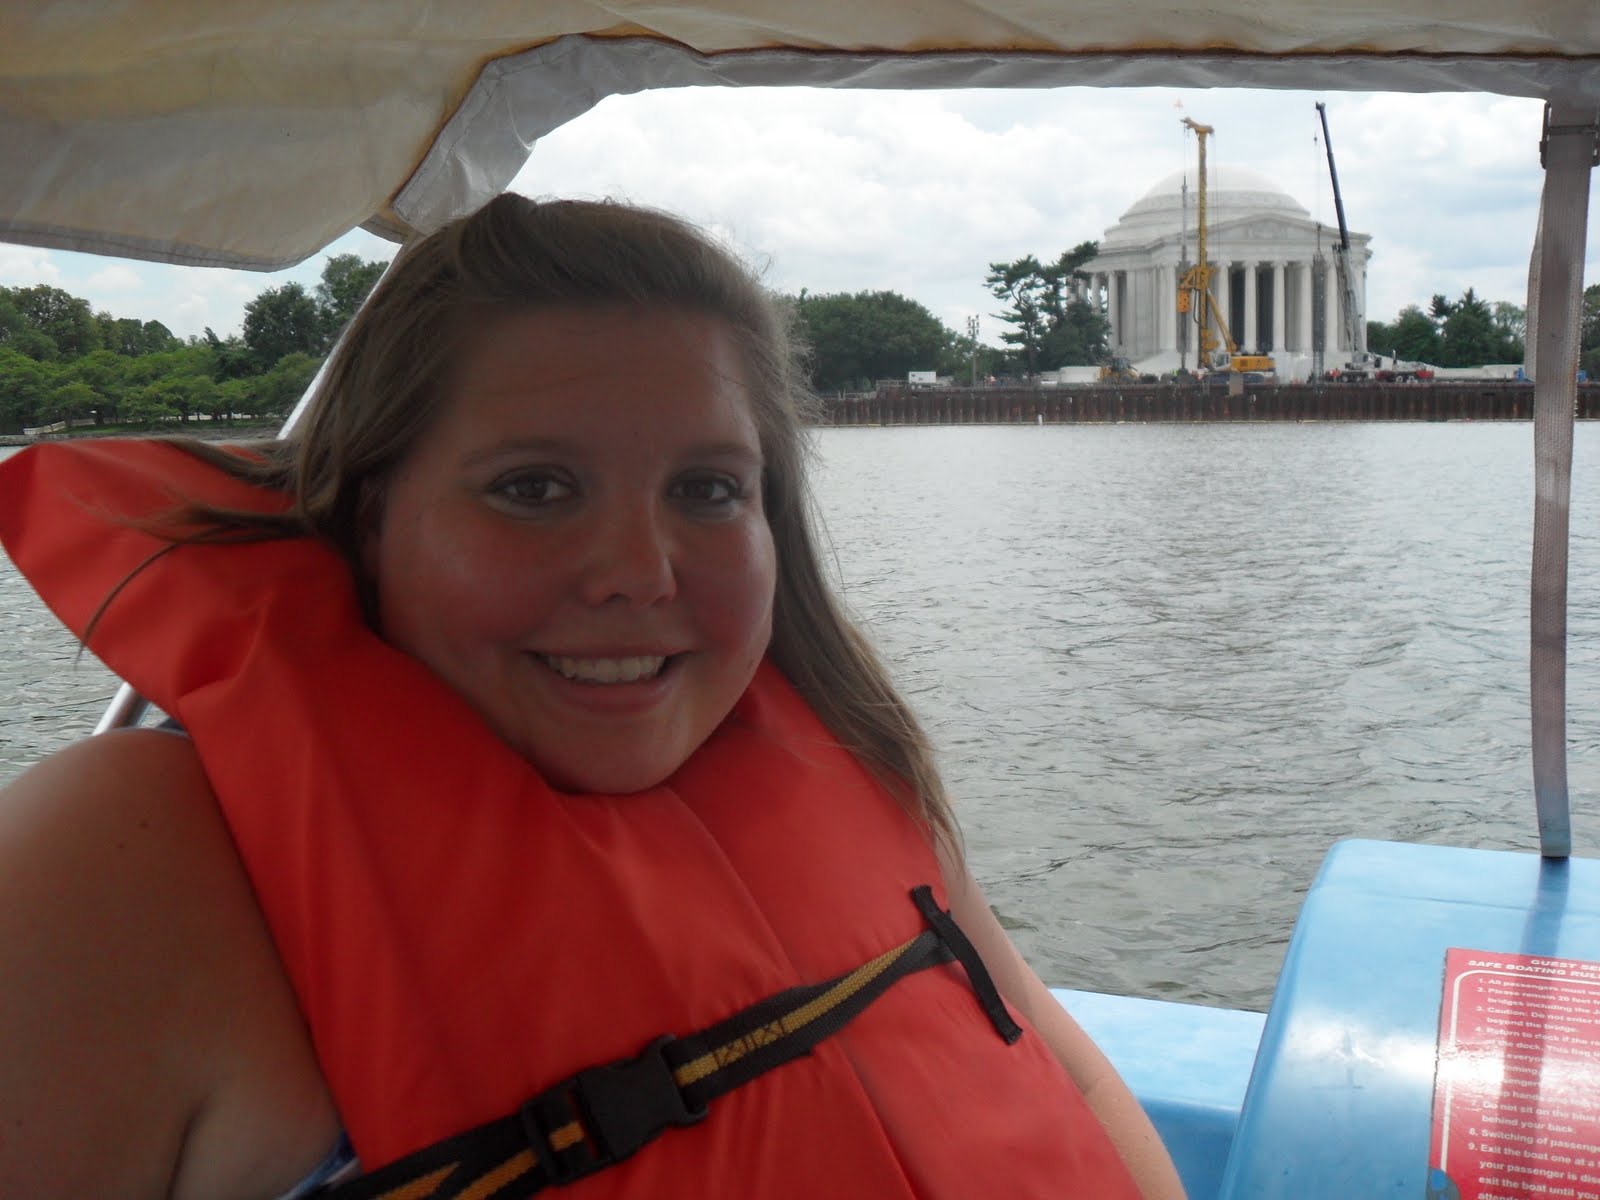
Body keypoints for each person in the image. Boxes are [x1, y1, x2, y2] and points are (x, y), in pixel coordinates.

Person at [0, 194, 1185, 1200]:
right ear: (372, 512)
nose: (638, 573)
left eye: (708, 490)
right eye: (534, 487)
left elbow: (1064, 1075)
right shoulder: (125, 859)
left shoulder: (845, 749)